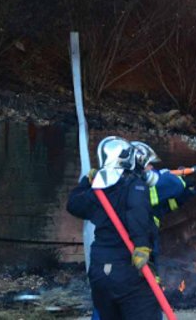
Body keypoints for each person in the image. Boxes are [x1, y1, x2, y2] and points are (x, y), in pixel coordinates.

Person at [67, 136, 160, 320]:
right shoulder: (134, 186)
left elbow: (74, 204)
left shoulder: (97, 191)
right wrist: (141, 246)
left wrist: (87, 181)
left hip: (99, 271)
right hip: (127, 267)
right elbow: (136, 212)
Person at [131, 141, 196, 273]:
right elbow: (173, 185)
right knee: (143, 279)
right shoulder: (136, 186)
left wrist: (187, 192)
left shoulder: (143, 187)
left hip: (147, 240)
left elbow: (163, 208)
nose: (152, 167)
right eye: (149, 164)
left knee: (151, 275)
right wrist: (176, 179)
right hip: (139, 243)